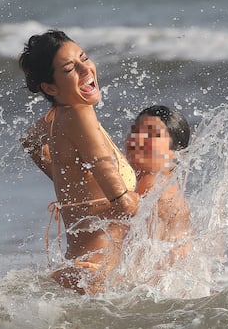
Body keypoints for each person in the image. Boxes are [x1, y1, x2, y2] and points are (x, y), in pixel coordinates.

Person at [19, 30, 140, 295]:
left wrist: (67, 179)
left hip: (85, 269)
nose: (86, 69)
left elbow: (30, 140)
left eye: (84, 58)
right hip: (95, 273)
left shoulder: (59, 115)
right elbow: (121, 199)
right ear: (50, 88)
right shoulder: (80, 112)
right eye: (70, 68)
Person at [125, 105, 192, 264]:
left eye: (151, 134)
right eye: (134, 131)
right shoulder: (168, 185)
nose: (137, 139)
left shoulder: (154, 185)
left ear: (176, 152)